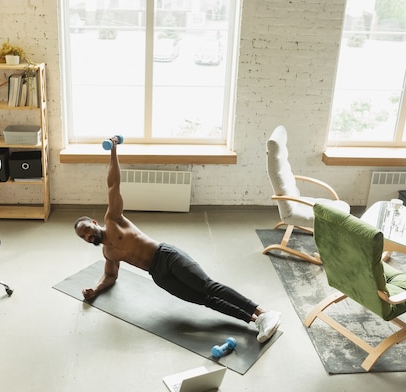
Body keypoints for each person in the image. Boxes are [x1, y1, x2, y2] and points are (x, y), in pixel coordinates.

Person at [73, 137, 281, 343]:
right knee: (204, 300)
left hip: (166, 257)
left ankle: (263, 311)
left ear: (93, 222)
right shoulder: (108, 253)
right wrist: (95, 289)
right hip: (159, 276)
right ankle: (256, 320)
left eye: (87, 229)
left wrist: (113, 151)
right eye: (84, 236)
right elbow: (110, 276)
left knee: (208, 286)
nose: (88, 235)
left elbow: (113, 185)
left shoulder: (113, 220)